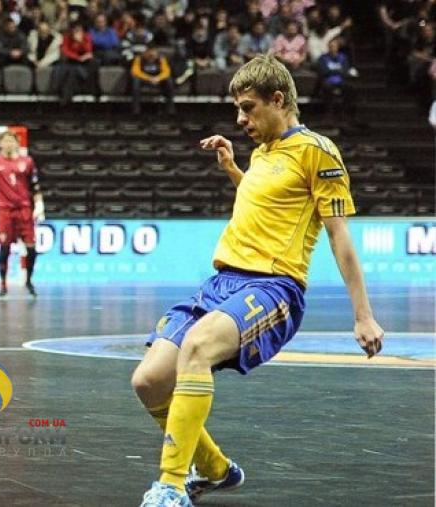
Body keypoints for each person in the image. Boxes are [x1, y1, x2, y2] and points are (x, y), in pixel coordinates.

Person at [134, 54, 385, 506]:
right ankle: (216, 470)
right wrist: (234, 169)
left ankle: (171, 487)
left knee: (197, 348)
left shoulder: (318, 151)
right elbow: (266, 203)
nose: (240, 119)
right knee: (149, 381)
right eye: (238, 110)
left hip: (273, 287)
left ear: (279, 99)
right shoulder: (262, 151)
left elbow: (339, 235)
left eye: (248, 108)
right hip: (222, 283)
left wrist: (363, 315)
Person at [0, 130, 44, 297]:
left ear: (16, 143)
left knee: (31, 248)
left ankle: (29, 280)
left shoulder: (27, 162)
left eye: (11, 141)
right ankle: (3, 284)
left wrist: (39, 205)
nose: (8, 144)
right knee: (4, 248)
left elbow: (35, 186)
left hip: (24, 210)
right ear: (0, 143)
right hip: (4, 211)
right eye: (5, 141)